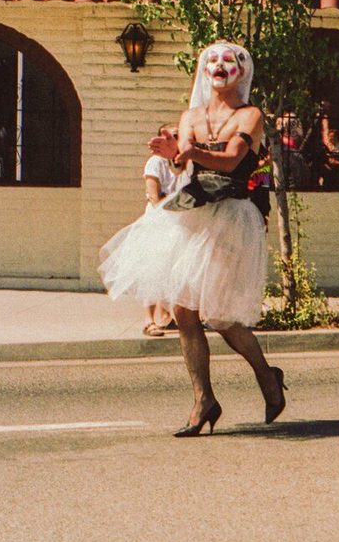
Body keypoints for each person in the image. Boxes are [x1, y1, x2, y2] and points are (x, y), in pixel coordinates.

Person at [98, 40, 286, 436]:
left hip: (232, 213)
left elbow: (231, 160)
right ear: (203, 69)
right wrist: (174, 154)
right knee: (183, 310)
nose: (219, 65)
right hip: (196, 209)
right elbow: (183, 162)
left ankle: (266, 375)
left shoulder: (250, 115)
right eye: (212, 60)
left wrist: (187, 152)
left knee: (221, 315)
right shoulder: (190, 115)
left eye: (228, 60)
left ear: (242, 71)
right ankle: (204, 400)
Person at [138, 124, 180, 337]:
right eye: (172, 136)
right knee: (153, 270)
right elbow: (154, 197)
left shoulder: (182, 163)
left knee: (173, 270)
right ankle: (149, 320)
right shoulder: (156, 162)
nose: (176, 139)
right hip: (160, 221)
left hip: (179, 222)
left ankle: (167, 316)